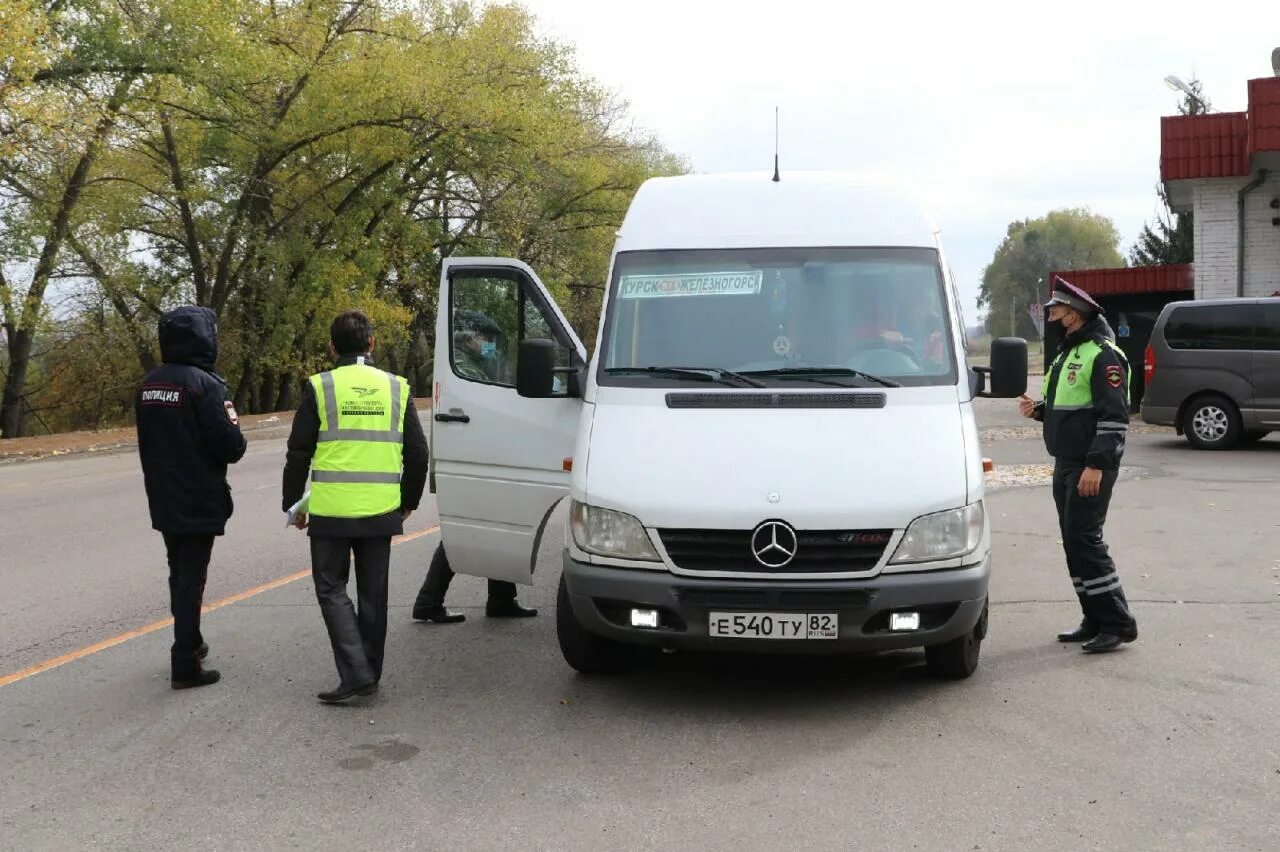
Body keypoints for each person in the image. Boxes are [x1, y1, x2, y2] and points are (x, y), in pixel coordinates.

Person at [282, 310, 429, 703]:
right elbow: (417, 451)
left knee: (331, 588)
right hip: (381, 510)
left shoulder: (319, 386)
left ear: (332, 346)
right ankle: (369, 672)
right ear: (372, 343)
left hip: (331, 511)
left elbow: (299, 452)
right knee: (373, 593)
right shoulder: (397, 387)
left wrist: (294, 504)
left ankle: (356, 672)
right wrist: (408, 500)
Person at [1017, 277, 1138, 653]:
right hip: (1066, 463)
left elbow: (1113, 418)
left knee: (1086, 540)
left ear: (1074, 313)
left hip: (1089, 466)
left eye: (1056, 308)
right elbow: (1070, 409)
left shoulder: (1103, 355)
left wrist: (1097, 466)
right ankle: (1094, 617)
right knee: (1073, 543)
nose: (1051, 313)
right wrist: (1039, 411)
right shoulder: (1068, 353)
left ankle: (1118, 623)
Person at [135, 306, 246, 689]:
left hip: (163, 494)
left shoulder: (149, 385)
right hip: (198, 495)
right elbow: (231, 446)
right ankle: (185, 661)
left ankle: (191, 640)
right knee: (191, 578)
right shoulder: (206, 385)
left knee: (178, 572)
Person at [412, 309, 536, 624]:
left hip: (477, 452)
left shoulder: (474, 365)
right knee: (469, 527)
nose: (492, 344)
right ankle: (429, 601)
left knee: (494, 522)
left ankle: (501, 599)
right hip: (472, 454)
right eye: (488, 339)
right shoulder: (465, 368)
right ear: (469, 339)